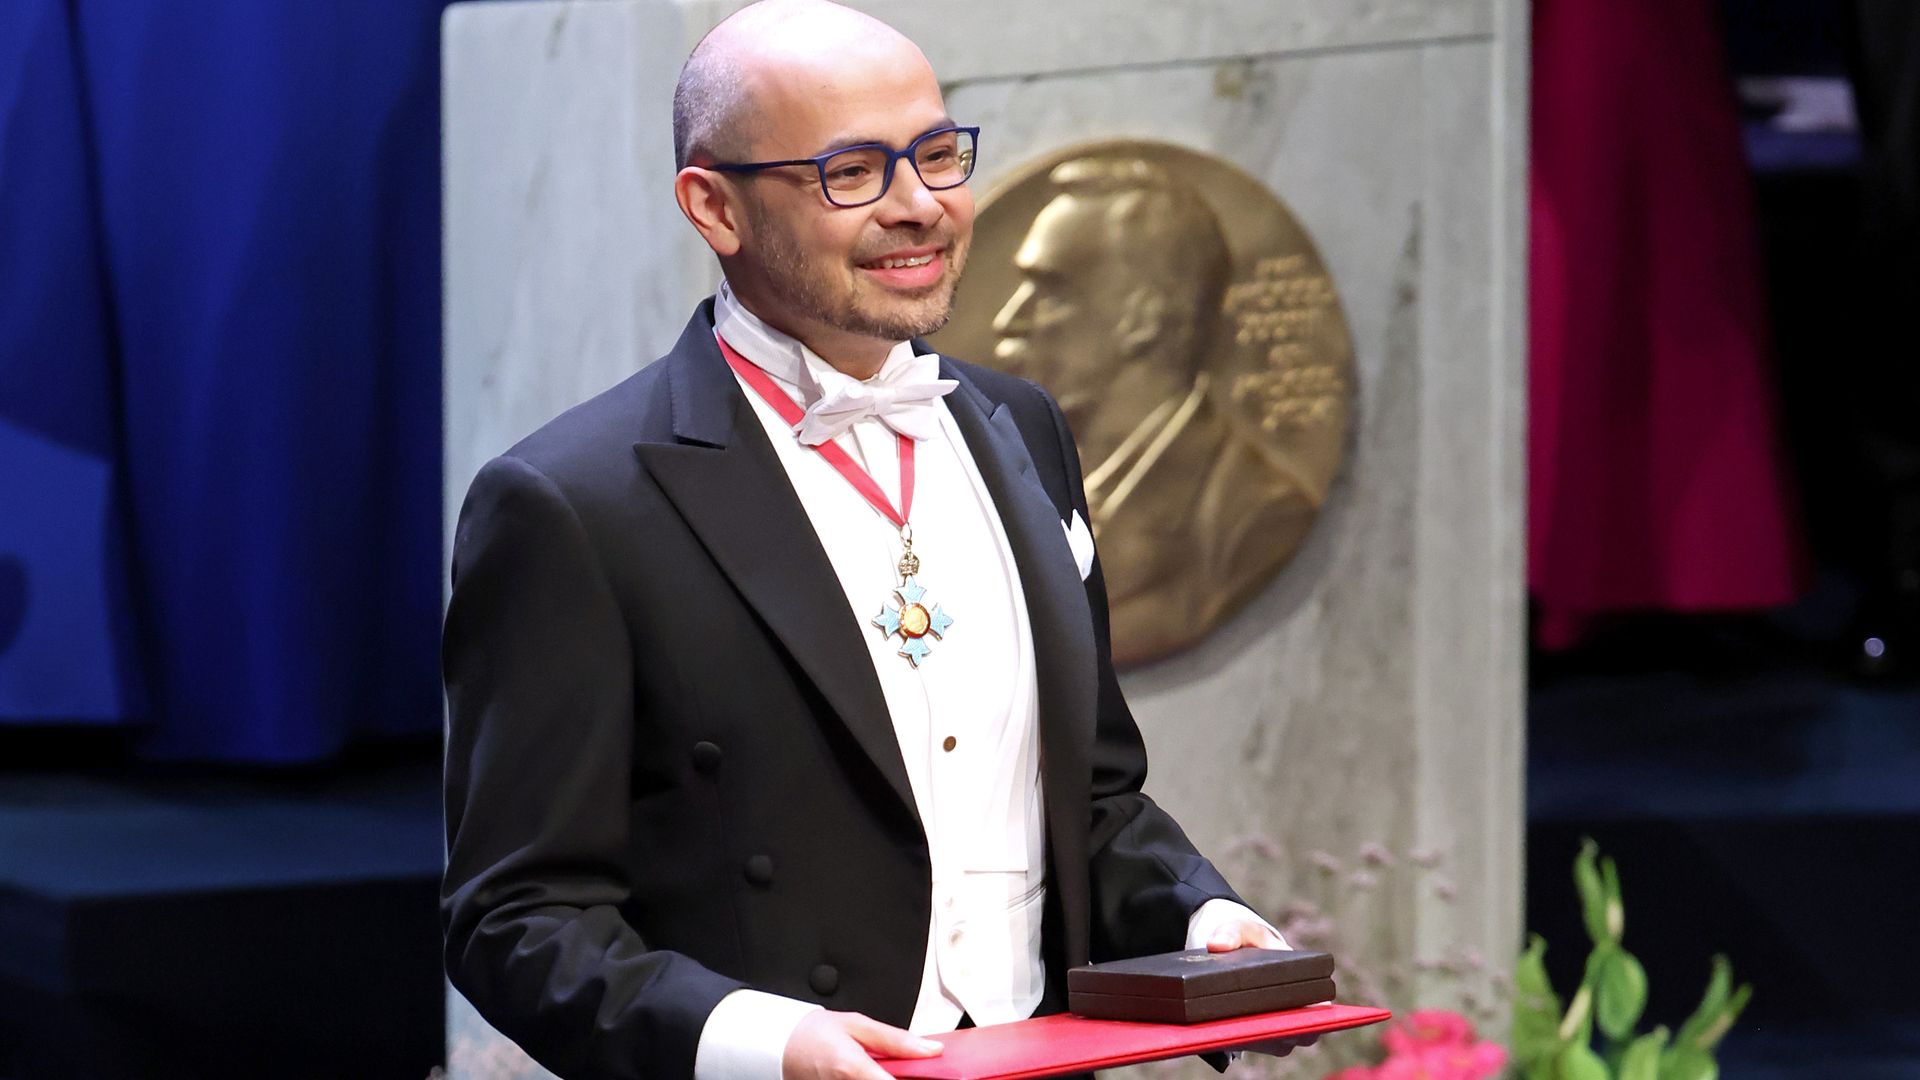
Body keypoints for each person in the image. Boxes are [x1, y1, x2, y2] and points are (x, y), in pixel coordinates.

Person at [441, 4, 1291, 1079]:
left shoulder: (1023, 425)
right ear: (714, 207)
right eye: (852, 172)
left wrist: (1198, 917)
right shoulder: (571, 503)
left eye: (936, 154)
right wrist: (765, 1043)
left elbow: (1090, 797)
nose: (920, 205)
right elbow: (516, 918)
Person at [991, 158, 1318, 663]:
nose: (1007, 319)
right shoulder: (1006, 482)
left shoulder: (1253, 523)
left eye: (1050, 290)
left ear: (1142, 320)